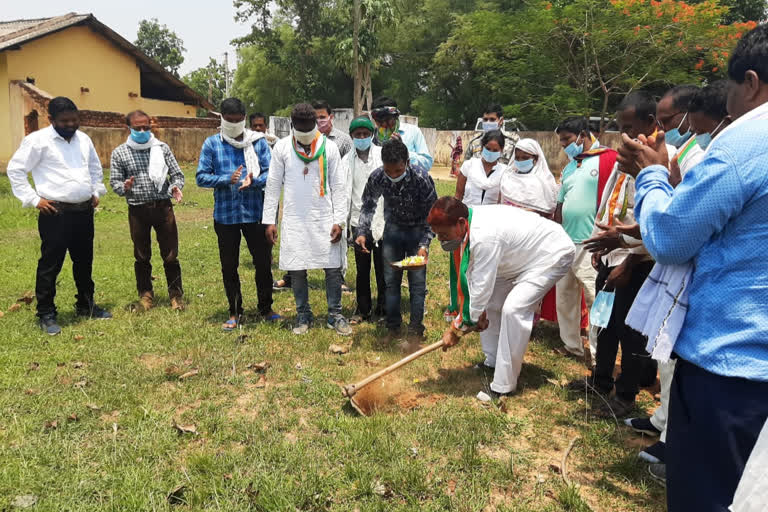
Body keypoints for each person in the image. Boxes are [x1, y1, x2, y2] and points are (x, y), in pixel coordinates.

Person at [616, 23, 768, 510]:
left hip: (729, 370)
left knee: (706, 496)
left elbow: (671, 239)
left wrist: (653, 175)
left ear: (750, 82)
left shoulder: (744, 146)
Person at [575, 91, 665, 418]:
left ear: (650, 123)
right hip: (610, 251)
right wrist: (599, 243)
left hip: (637, 260)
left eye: (629, 126)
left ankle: (626, 395)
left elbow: (656, 220)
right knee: (604, 322)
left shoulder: (659, 161)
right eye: (620, 126)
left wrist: (629, 259)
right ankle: (601, 380)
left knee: (630, 332)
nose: (623, 133)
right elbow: (610, 198)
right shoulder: (624, 156)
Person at [430, 198, 575, 399]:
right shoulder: (470, 228)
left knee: (514, 309)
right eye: (437, 235)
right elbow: (473, 276)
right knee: (492, 301)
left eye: (444, 234)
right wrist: (475, 314)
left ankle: (503, 385)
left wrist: (457, 329)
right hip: (519, 257)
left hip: (550, 254)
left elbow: (480, 287)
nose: (441, 240)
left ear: (461, 223)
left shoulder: (484, 237)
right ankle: (493, 360)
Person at [7, 96, 111, 335]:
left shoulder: (83, 139)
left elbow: (95, 168)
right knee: (50, 264)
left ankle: (86, 305)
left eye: (75, 120)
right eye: (65, 121)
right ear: (51, 119)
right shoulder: (38, 141)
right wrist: (34, 199)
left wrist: (96, 190)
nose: (71, 124)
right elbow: (16, 169)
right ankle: (46, 313)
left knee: (84, 261)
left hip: (84, 211)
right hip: (55, 212)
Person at [263, 103, 351, 336]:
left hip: (324, 217)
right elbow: (272, 186)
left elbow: (339, 187)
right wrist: (269, 221)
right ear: (293, 126)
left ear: (315, 126)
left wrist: (339, 220)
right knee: (297, 267)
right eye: (300, 131)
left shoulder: (329, 148)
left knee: (332, 268)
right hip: (294, 218)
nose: (304, 136)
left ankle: (335, 314)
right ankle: (303, 314)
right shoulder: (281, 148)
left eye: (308, 130)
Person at [196, 98, 279, 331]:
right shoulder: (212, 144)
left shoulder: (258, 142)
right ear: (221, 118)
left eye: (238, 120)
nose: (233, 124)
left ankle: (266, 307)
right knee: (229, 265)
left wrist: (253, 181)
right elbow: (201, 176)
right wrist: (226, 179)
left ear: (245, 118)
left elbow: (271, 174)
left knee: (263, 263)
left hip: (254, 213)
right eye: (229, 121)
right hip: (226, 216)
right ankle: (234, 311)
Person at [355, 139, 437, 343]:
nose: (393, 176)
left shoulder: (421, 178)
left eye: (398, 171)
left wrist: (424, 245)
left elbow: (432, 215)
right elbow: (367, 205)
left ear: (407, 163)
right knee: (390, 283)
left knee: (417, 284)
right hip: (392, 233)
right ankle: (393, 328)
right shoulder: (378, 177)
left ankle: (415, 331)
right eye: (388, 171)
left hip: (417, 233)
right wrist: (363, 231)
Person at [110, 110, 185, 312]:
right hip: (138, 210)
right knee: (141, 256)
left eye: (146, 127)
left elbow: (177, 175)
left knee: (170, 255)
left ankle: (176, 296)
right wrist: (124, 186)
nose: (142, 131)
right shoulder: (120, 153)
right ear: (128, 128)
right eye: (137, 128)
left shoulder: (161, 148)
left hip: (163, 208)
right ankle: (146, 295)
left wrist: (174, 187)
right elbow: (114, 183)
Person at [553, 117, 613, 360]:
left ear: (582, 135)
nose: (564, 145)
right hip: (566, 242)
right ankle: (572, 346)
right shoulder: (570, 166)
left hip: (591, 242)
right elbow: (560, 203)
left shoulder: (608, 159)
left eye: (567, 139)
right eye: (561, 141)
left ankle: (599, 355)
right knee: (565, 297)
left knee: (594, 298)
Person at [345, 116, 386, 324]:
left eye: (365, 134)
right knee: (362, 269)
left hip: (381, 220)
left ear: (372, 135)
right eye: (358, 134)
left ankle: (383, 308)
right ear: (352, 136)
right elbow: (345, 193)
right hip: (358, 222)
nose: (361, 138)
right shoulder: (346, 161)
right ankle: (362, 309)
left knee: (382, 267)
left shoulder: (382, 155)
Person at [370, 96, 433, 170]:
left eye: (388, 120)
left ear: (396, 116)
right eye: (379, 121)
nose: (384, 124)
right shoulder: (371, 138)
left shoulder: (413, 132)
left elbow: (427, 164)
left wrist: (403, 151)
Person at [498, 137, 558, 215]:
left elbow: (545, 209)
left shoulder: (543, 181)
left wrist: (518, 212)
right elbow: (500, 202)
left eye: (525, 158)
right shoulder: (508, 177)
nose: (520, 161)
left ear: (535, 158)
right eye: (517, 158)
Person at [454, 130, 506, 207]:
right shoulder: (469, 165)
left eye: (495, 150)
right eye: (488, 149)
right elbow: (458, 195)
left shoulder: (504, 172)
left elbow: (502, 202)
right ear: (482, 147)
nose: (491, 152)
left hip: (492, 216)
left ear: (501, 150)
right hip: (468, 214)